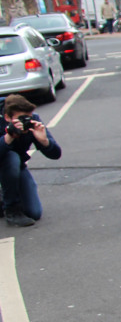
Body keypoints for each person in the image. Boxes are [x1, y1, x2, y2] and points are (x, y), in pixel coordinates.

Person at [1, 95, 61, 227]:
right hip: (7, 163)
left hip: (16, 167)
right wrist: (9, 136)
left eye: (27, 117)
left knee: (34, 212)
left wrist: (44, 142)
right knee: (11, 157)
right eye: (20, 119)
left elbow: (56, 154)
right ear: (7, 117)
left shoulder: (33, 121)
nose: (24, 122)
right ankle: (11, 209)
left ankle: (4, 200)